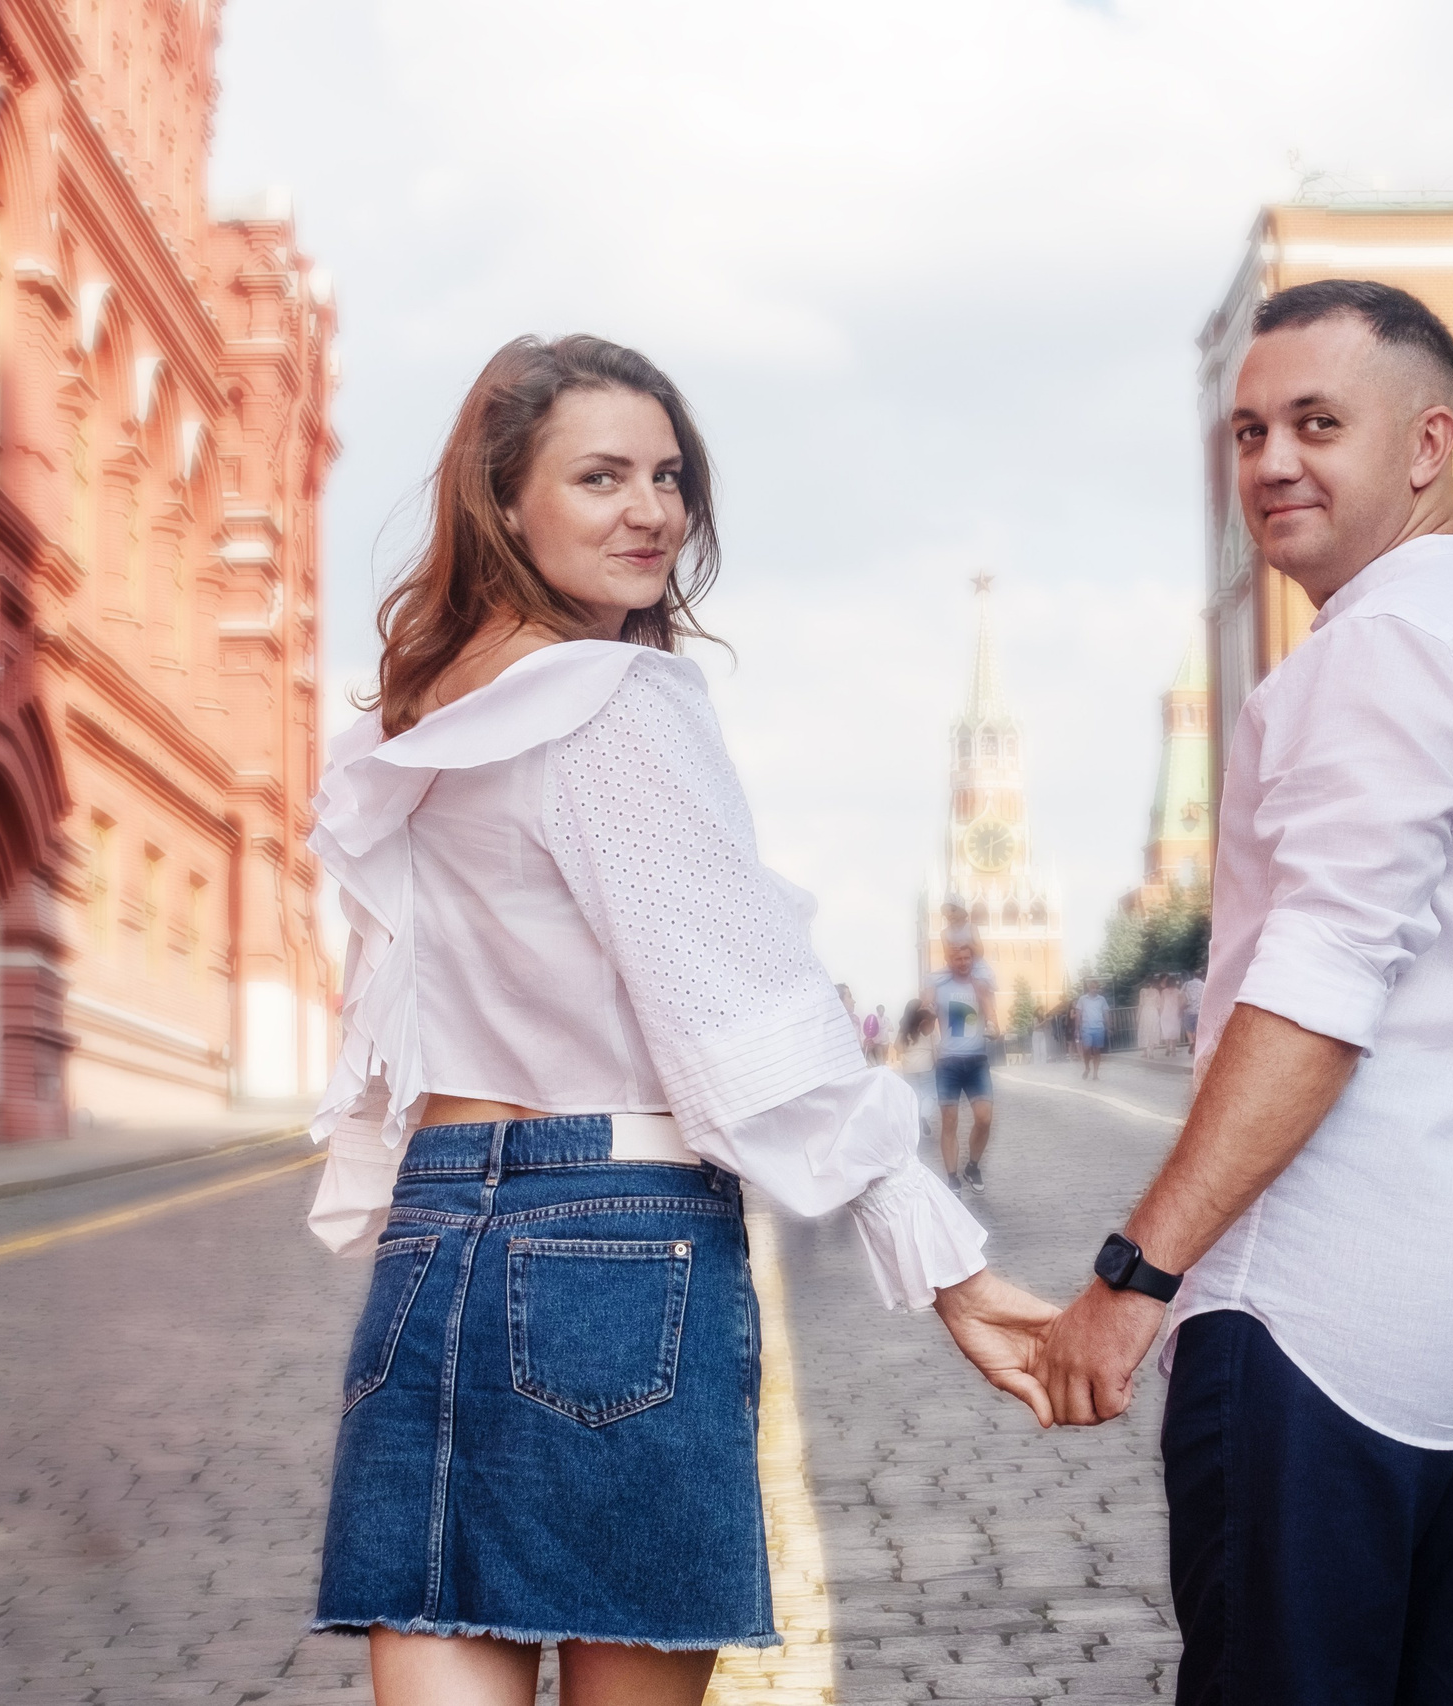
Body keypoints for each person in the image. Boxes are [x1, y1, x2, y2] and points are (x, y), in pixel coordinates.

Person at [302, 334, 1058, 1706]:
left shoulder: (418, 716)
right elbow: (742, 1012)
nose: (651, 510)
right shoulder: (614, 702)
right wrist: (939, 1256)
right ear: (504, 497)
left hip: (434, 1242)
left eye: (668, 475)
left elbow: (389, 1015)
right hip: (613, 1241)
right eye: (600, 476)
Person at [1033, 280, 1453, 1704]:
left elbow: (1316, 991)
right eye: (1245, 432)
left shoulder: (1375, 656)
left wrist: (1136, 1275)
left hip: (1324, 1339)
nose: (1269, 461)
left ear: (1427, 446)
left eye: (1314, 423)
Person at [926, 937, 998, 1192]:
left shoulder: (981, 987)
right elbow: (924, 1020)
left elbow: (995, 1025)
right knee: (950, 1120)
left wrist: (993, 1029)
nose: (964, 962)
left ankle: (972, 1167)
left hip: (977, 1061)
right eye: (958, 958)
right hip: (948, 1064)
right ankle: (952, 1178)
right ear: (949, 960)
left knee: (984, 1119)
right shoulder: (938, 985)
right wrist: (927, 1010)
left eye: (968, 958)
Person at [895, 998, 938, 1141]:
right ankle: (924, 1116)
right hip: (926, 1065)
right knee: (930, 1094)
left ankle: (915, 1125)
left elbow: (898, 1048)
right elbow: (936, 1044)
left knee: (915, 1097)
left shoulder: (904, 1027)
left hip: (909, 1067)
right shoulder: (928, 1025)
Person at [1073, 979, 1109, 1079]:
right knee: (1086, 1048)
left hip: (1099, 1028)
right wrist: (1076, 1028)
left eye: (1096, 988)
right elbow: (1078, 1014)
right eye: (1093, 988)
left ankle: (1095, 1074)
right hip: (1086, 1028)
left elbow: (1106, 1013)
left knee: (1097, 1050)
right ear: (1089, 988)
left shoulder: (1101, 999)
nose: (1095, 990)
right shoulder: (1082, 999)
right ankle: (1087, 1067)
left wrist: (1109, 1026)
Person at [1180, 969, 1204, 1052]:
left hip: (1188, 1010)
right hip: (1200, 1011)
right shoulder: (1204, 985)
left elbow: (1180, 994)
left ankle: (1191, 1042)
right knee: (1197, 1029)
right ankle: (1195, 1044)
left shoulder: (1186, 984)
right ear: (1202, 976)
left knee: (1188, 1028)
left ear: (1194, 975)